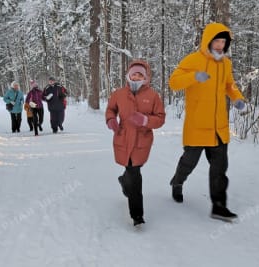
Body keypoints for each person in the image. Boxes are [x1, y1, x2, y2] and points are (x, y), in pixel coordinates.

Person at [168, 22, 246, 222]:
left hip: (218, 127)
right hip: (197, 125)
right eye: (217, 41)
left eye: (223, 42)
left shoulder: (226, 64)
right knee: (189, 163)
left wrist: (237, 98)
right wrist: (194, 76)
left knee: (220, 169)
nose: (220, 45)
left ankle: (219, 207)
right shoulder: (193, 59)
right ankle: (177, 182)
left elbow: (230, 85)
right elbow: (174, 83)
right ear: (208, 41)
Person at [105, 60, 166, 226]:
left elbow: (160, 118)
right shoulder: (118, 94)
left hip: (141, 140)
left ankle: (126, 184)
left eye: (140, 74)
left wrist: (146, 120)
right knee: (133, 173)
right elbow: (111, 109)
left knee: (133, 171)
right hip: (123, 138)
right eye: (134, 73)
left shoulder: (153, 96)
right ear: (128, 75)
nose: (137, 76)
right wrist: (111, 120)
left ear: (145, 77)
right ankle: (137, 214)